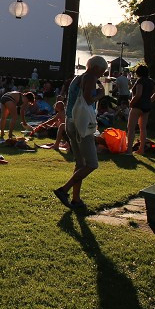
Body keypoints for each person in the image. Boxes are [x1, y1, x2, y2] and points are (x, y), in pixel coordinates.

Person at [53, 55, 108, 212]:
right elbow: (88, 99)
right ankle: (64, 190)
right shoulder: (90, 77)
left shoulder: (78, 78)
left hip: (71, 122)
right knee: (92, 164)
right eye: (103, 71)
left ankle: (76, 199)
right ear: (96, 68)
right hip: (81, 125)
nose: (102, 74)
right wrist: (101, 95)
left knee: (80, 163)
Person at [126, 64, 155, 154]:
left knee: (131, 128)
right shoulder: (151, 81)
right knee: (143, 128)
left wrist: (131, 103)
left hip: (137, 106)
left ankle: (129, 149)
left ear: (138, 72)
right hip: (146, 107)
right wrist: (150, 101)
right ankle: (141, 149)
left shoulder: (140, 81)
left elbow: (138, 94)